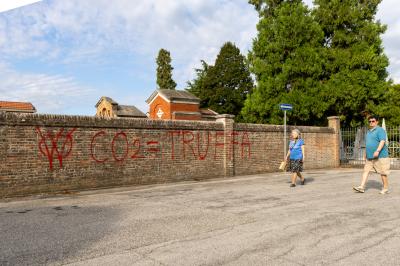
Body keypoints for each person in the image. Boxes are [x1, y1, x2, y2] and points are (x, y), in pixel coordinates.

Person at [353, 115, 390, 194]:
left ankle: (385, 188)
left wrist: (377, 150)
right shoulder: (369, 132)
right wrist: (366, 153)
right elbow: (368, 144)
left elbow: (382, 141)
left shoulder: (380, 130)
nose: (371, 123)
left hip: (380, 156)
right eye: (369, 121)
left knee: (383, 172)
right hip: (370, 156)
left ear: (377, 122)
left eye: (373, 121)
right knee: (365, 171)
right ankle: (361, 187)